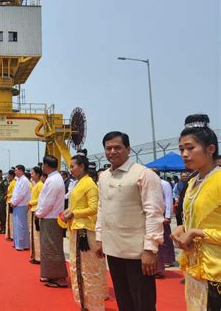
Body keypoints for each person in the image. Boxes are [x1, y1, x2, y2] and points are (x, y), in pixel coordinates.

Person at [95, 131, 164, 311]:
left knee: (143, 301)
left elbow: (154, 213)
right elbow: (101, 208)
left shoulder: (144, 174)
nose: (112, 151)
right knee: (123, 298)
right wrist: (100, 237)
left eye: (117, 147)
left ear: (128, 149)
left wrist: (150, 249)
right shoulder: (103, 177)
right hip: (113, 249)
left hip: (137, 252)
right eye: (108, 148)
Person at [171, 114, 221, 310]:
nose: (184, 154)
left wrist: (195, 233)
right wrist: (183, 228)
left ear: (210, 149)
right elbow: (196, 219)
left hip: (215, 271)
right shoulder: (192, 182)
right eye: (182, 149)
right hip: (194, 267)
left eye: (190, 148)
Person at [61, 150, 108, 310]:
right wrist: (69, 213)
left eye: (73, 166)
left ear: (82, 167)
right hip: (77, 228)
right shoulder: (79, 183)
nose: (70, 169)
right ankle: (85, 303)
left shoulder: (89, 184)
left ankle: (93, 305)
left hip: (85, 232)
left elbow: (94, 208)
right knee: (79, 268)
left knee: (88, 270)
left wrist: (74, 213)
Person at [36, 155, 68, 288]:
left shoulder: (53, 180)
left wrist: (39, 213)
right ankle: (50, 274)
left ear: (46, 166)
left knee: (52, 248)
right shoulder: (54, 178)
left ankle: (59, 278)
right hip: (49, 216)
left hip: (51, 218)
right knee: (48, 247)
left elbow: (48, 202)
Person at [152, 169, 176, 273]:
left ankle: (168, 259)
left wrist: (168, 216)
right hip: (153, 214)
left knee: (166, 237)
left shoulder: (164, 184)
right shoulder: (149, 184)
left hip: (163, 213)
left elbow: (169, 200)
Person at [10, 165, 31, 251]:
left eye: (16, 170)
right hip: (17, 205)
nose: (15, 172)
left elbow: (21, 194)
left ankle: (22, 245)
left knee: (21, 226)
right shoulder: (18, 180)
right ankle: (19, 243)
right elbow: (15, 193)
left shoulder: (24, 180)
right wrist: (12, 201)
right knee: (17, 225)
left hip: (21, 205)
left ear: (21, 171)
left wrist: (14, 202)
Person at [28, 166, 43, 264]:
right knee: (34, 234)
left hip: (37, 211)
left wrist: (31, 202)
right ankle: (35, 255)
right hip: (33, 210)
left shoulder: (40, 185)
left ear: (37, 174)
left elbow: (41, 199)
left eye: (33, 173)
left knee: (37, 235)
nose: (31, 175)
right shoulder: (35, 184)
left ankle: (39, 257)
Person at [0, 169, 9, 234]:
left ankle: (4, 229)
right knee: (0, 214)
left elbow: (6, 190)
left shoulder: (4, 181)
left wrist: (4, 197)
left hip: (2, 200)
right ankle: (2, 227)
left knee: (3, 215)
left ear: (1, 173)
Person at [6, 169, 16, 241]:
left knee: (11, 220)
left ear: (12, 175)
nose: (7, 176)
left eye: (8, 175)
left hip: (11, 202)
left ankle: (12, 236)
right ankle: (10, 234)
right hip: (9, 201)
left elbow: (14, 193)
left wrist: (8, 196)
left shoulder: (14, 183)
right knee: (9, 219)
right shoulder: (11, 182)